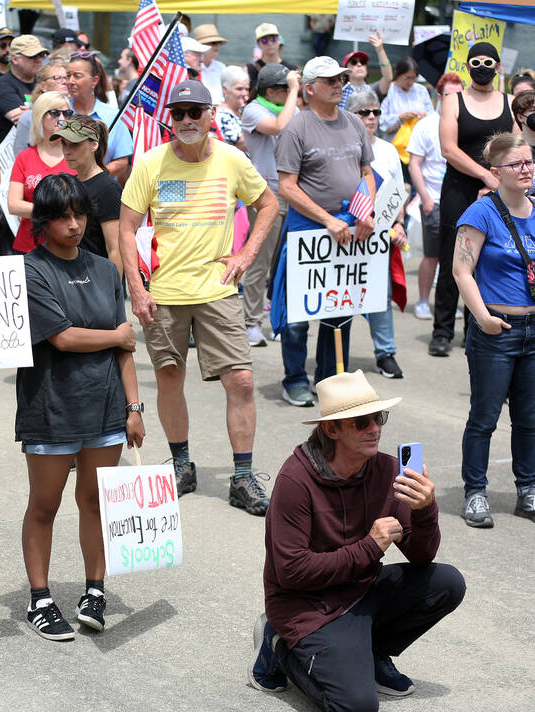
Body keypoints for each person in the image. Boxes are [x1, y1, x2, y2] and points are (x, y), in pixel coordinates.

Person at [252, 369, 465, 708]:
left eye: (378, 417)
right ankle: (279, 645)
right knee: (358, 706)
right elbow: (291, 572)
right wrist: (370, 546)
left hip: (360, 590)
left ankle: (372, 652)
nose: (375, 428)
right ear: (331, 429)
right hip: (307, 607)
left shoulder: (387, 469)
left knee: (448, 583)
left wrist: (424, 510)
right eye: (361, 422)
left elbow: (421, 557)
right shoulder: (295, 480)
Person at [119, 80, 280, 515]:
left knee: (241, 380)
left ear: (211, 115)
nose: (187, 120)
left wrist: (246, 254)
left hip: (218, 289)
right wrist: (137, 288)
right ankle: (181, 465)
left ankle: (243, 477)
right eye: (179, 113)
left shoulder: (232, 159)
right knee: (170, 377)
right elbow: (126, 228)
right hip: (165, 292)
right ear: (170, 118)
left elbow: (269, 204)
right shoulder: (151, 163)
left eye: (195, 112)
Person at [18, 173, 144, 640]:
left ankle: (95, 591)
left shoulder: (107, 270)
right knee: (44, 505)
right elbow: (63, 338)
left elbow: (125, 348)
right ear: (44, 220)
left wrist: (134, 407)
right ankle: (40, 599)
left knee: (95, 503)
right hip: (51, 407)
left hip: (106, 407)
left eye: (80, 215)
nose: (74, 225)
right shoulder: (31, 269)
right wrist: (116, 335)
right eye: (63, 217)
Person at [273, 57, 375, 406]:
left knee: (340, 308)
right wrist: (327, 219)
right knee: (298, 315)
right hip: (309, 229)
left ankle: (330, 379)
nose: (339, 85)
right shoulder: (296, 128)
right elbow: (287, 187)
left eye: (341, 79)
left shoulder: (354, 123)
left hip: (349, 226)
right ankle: (294, 379)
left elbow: (367, 173)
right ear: (310, 88)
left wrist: (366, 210)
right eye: (330, 80)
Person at [452, 132, 535, 528]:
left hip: (533, 330)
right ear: (496, 171)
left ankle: (528, 489)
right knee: (484, 417)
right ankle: (475, 492)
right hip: (496, 331)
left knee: (530, 418)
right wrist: (483, 318)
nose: (526, 169)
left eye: (530, 161)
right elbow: (461, 271)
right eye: (517, 164)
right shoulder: (480, 213)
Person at [431, 42, 516, 358]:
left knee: (487, 259)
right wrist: (485, 176)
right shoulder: (453, 100)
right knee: (452, 258)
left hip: (499, 191)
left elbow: (516, 147)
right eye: (475, 62)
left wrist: (497, 183)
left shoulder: (509, 102)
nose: (482, 67)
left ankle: (476, 327)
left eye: (488, 62)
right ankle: (442, 331)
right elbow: (449, 149)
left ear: (498, 67)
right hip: (459, 188)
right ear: (467, 67)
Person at [347, 88, 408, 379]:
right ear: (350, 115)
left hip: (380, 236)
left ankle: (386, 354)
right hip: (345, 233)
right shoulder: (341, 147)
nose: (371, 117)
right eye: (364, 112)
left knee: (380, 295)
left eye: (376, 112)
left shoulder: (388, 150)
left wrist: (400, 224)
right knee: (341, 297)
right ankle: (333, 355)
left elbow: (397, 192)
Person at [240, 64, 300, 347]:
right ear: (270, 90)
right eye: (285, 88)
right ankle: (251, 322)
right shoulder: (253, 110)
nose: (289, 93)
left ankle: (279, 317)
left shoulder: (290, 109)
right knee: (260, 262)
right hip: (265, 196)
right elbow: (279, 127)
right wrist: (296, 90)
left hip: (293, 192)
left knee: (286, 263)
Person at [407, 73, 464, 320]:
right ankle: (422, 301)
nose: (453, 99)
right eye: (448, 94)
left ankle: (450, 304)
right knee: (432, 255)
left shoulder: (466, 123)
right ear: (438, 95)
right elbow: (414, 165)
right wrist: (425, 198)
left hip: (460, 200)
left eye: (459, 95)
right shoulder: (426, 125)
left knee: (458, 258)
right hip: (433, 200)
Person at [8, 91, 76, 254]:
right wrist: (55, 211)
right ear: (40, 116)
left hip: (68, 245)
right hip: (29, 246)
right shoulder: (24, 157)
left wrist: (39, 210)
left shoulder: (77, 155)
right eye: (55, 113)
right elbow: (14, 205)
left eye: (67, 113)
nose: (62, 118)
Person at [54, 116, 123, 275]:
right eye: (64, 144)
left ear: (94, 145)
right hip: (72, 277)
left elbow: (115, 249)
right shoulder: (71, 183)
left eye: (75, 144)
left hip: (97, 279)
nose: (67, 151)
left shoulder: (108, 189)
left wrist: (112, 287)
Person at [66, 51, 133, 182]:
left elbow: (122, 161)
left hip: (100, 190)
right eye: (68, 76)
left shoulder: (113, 116)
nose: (70, 81)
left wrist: (93, 177)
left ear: (95, 80)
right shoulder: (58, 113)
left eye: (77, 76)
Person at [0, 34, 47, 142]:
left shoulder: (44, 83)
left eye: (42, 55)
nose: (39, 59)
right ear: (15, 59)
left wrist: (32, 111)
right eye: (33, 56)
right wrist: (49, 111)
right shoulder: (2, 85)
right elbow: (23, 120)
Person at [379, 57, 433, 143]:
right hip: (395, 144)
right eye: (407, 78)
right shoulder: (388, 91)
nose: (410, 82)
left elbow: (432, 115)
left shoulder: (421, 90)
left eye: (413, 78)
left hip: (419, 143)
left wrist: (424, 116)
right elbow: (382, 123)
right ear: (397, 73)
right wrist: (400, 118)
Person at [338, 32, 392, 111]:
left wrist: (380, 50)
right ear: (346, 70)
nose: (359, 64)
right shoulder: (339, 92)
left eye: (363, 62)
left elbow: (388, 78)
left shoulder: (374, 90)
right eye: (354, 62)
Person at [246, 23, 295, 89]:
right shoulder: (250, 69)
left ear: (279, 40)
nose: (270, 43)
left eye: (273, 39)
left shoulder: (291, 69)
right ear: (258, 44)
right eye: (264, 40)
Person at [216, 65, 249, 151]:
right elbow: (241, 144)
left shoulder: (241, 112)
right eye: (239, 89)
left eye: (246, 89)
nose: (244, 93)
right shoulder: (220, 115)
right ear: (225, 89)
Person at [193, 24, 228, 105]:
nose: (218, 45)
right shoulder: (193, 67)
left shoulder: (221, 67)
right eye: (214, 42)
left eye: (219, 42)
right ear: (202, 45)